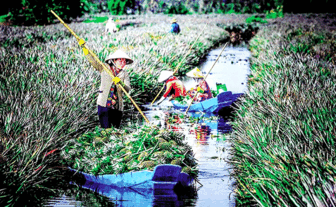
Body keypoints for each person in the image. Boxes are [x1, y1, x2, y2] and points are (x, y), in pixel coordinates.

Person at [97, 49, 132, 128]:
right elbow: (93, 62)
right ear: (114, 61)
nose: (123, 63)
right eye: (120, 61)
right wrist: (85, 50)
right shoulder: (105, 68)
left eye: (124, 61)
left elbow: (127, 89)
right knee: (105, 129)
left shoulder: (124, 74)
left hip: (117, 106)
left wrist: (121, 83)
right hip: (104, 104)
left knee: (115, 129)